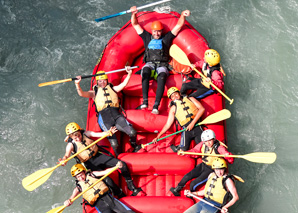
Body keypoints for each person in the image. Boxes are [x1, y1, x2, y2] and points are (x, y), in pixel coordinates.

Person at [130, 6, 191, 114]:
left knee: (162, 77)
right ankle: (145, 102)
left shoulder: (166, 38)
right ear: (152, 31)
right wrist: (134, 14)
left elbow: (178, 26)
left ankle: (156, 106)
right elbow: (135, 24)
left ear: (161, 31)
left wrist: (182, 15)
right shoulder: (147, 37)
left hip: (162, 65)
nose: (157, 34)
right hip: (150, 64)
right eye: (155, 31)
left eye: (158, 32)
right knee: (145, 72)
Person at [59, 122, 145, 196]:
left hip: (98, 157)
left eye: (78, 135)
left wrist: (108, 132)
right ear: (71, 137)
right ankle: (120, 194)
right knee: (109, 181)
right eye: (75, 138)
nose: (78, 138)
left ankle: (131, 185)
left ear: (80, 132)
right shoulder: (70, 145)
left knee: (122, 164)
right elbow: (66, 155)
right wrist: (64, 160)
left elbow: (97, 134)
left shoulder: (86, 134)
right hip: (90, 165)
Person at [74, 67, 140, 156]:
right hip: (105, 120)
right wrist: (77, 84)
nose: (102, 83)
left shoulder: (113, 88)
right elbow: (82, 93)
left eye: (104, 80)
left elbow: (123, 84)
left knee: (133, 132)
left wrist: (129, 73)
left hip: (117, 116)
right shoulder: (94, 92)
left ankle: (134, 145)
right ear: (97, 82)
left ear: (107, 81)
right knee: (114, 144)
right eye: (100, 81)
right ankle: (120, 157)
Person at [168, 129, 234, 196]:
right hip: (203, 165)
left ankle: (191, 196)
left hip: (212, 170)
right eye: (206, 141)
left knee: (193, 183)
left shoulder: (219, 148)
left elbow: (230, 160)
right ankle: (176, 189)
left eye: (210, 140)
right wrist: (184, 153)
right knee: (187, 176)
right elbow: (195, 151)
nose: (208, 143)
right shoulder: (203, 144)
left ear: (214, 139)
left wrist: (228, 156)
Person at [64, 163, 135, 213]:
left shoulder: (92, 174)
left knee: (128, 212)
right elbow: (71, 199)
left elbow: (105, 172)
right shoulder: (78, 187)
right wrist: (68, 201)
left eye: (81, 175)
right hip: (101, 207)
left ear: (84, 172)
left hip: (109, 199)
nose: (81, 177)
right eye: (78, 177)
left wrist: (116, 167)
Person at [152, 87, 205, 152]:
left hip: (197, 126)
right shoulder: (173, 108)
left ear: (179, 93)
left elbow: (202, 109)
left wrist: (192, 123)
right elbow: (168, 124)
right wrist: (158, 136)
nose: (175, 96)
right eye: (172, 96)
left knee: (204, 148)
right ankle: (178, 148)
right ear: (171, 99)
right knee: (182, 150)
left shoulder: (191, 99)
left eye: (175, 94)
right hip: (186, 130)